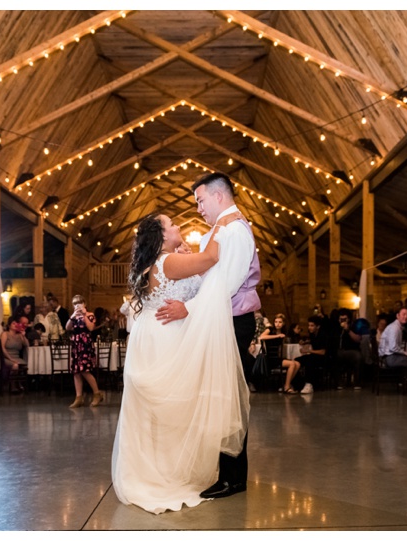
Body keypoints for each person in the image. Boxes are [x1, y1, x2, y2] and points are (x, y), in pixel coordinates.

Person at [112, 207, 248, 513]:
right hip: (166, 337)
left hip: (153, 335)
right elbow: (212, 258)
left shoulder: (158, 262)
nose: (178, 227)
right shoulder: (168, 262)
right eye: (172, 224)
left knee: (165, 412)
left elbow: (196, 284)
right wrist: (224, 224)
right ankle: (170, 473)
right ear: (161, 235)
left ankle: (161, 469)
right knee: (177, 407)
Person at [152, 171, 258, 501]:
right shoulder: (220, 230)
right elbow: (210, 279)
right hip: (219, 320)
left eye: (200, 200)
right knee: (218, 397)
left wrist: (189, 309)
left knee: (228, 399)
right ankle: (226, 472)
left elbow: (225, 286)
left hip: (233, 322)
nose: (198, 208)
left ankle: (234, 477)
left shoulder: (235, 231)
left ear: (217, 196)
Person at [64, 295, 104, 408]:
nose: (78, 305)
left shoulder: (90, 315)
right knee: (76, 371)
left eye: (80, 303)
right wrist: (73, 316)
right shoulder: (74, 317)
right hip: (76, 344)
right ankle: (78, 397)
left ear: (84, 304)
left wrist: (84, 314)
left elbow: (91, 328)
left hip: (85, 344)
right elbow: (67, 328)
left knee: (85, 370)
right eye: (75, 304)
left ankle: (97, 393)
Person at [282, 315, 327, 394]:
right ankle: (295, 384)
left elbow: (323, 352)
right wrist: (306, 342)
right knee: (297, 360)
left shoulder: (323, 335)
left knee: (310, 360)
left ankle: (309, 384)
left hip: (324, 358)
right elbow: (313, 342)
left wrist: (309, 351)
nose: (309, 327)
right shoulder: (312, 334)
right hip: (315, 355)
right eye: (309, 325)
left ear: (318, 326)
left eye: (312, 326)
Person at [259, 313, 300, 392]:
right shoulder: (270, 329)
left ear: (283, 323)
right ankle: (287, 387)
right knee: (292, 364)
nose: (277, 324)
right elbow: (262, 337)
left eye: (280, 322)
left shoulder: (283, 332)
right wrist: (277, 336)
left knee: (297, 364)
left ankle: (285, 384)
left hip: (278, 358)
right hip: (270, 359)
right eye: (276, 322)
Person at [332, 309, 365, 390]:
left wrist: (348, 330)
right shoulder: (335, 327)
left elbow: (358, 339)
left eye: (344, 319)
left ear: (349, 319)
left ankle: (357, 382)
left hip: (351, 350)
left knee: (358, 356)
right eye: (341, 319)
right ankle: (339, 382)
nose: (342, 321)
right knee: (334, 356)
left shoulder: (354, 326)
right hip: (339, 351)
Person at [0, 314, 28, 393]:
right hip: (7, 357)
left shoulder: (19, 335)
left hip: (17, 357)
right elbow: (2, 348)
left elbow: (27, 345)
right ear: (9, 325)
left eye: (16, 324)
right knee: (15, 365)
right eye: (13, 323)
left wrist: (23, 336)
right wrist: (10, 359)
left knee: (26, 365)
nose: (15, 325)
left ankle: (19, 383)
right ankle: (12, 385)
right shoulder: (5, 334)